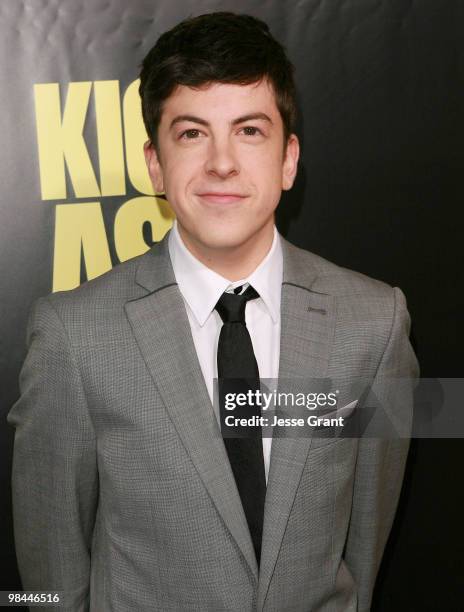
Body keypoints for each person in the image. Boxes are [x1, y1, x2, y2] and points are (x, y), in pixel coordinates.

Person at [8, 12, 419, 612]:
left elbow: (367, 543)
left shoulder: (376, 324)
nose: (222, 163)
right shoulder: (73, 334)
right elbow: (44, 580)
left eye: (249, 131)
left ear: (288, 159)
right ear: (155, 164)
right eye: (192, 133)